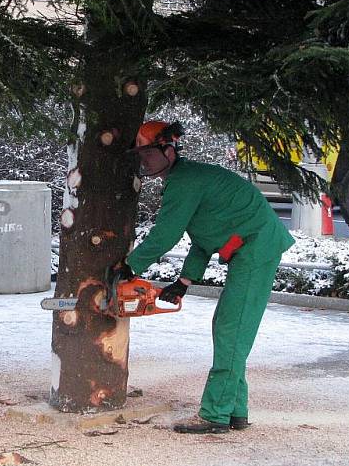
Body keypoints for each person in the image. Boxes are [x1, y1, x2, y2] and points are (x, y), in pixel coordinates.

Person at [121, 120, 295, 434]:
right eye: (141, 155)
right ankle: (235, 410)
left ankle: (215, 414)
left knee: (232, 327)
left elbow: (166, 235)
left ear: (168, 150)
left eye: (148, 153)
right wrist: (184, 282)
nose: (144, 161)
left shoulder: (184, 182)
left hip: (256, 246)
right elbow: (203, 237)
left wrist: (129, 266)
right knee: (232, 328)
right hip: (249, 244)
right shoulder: (187, 178)